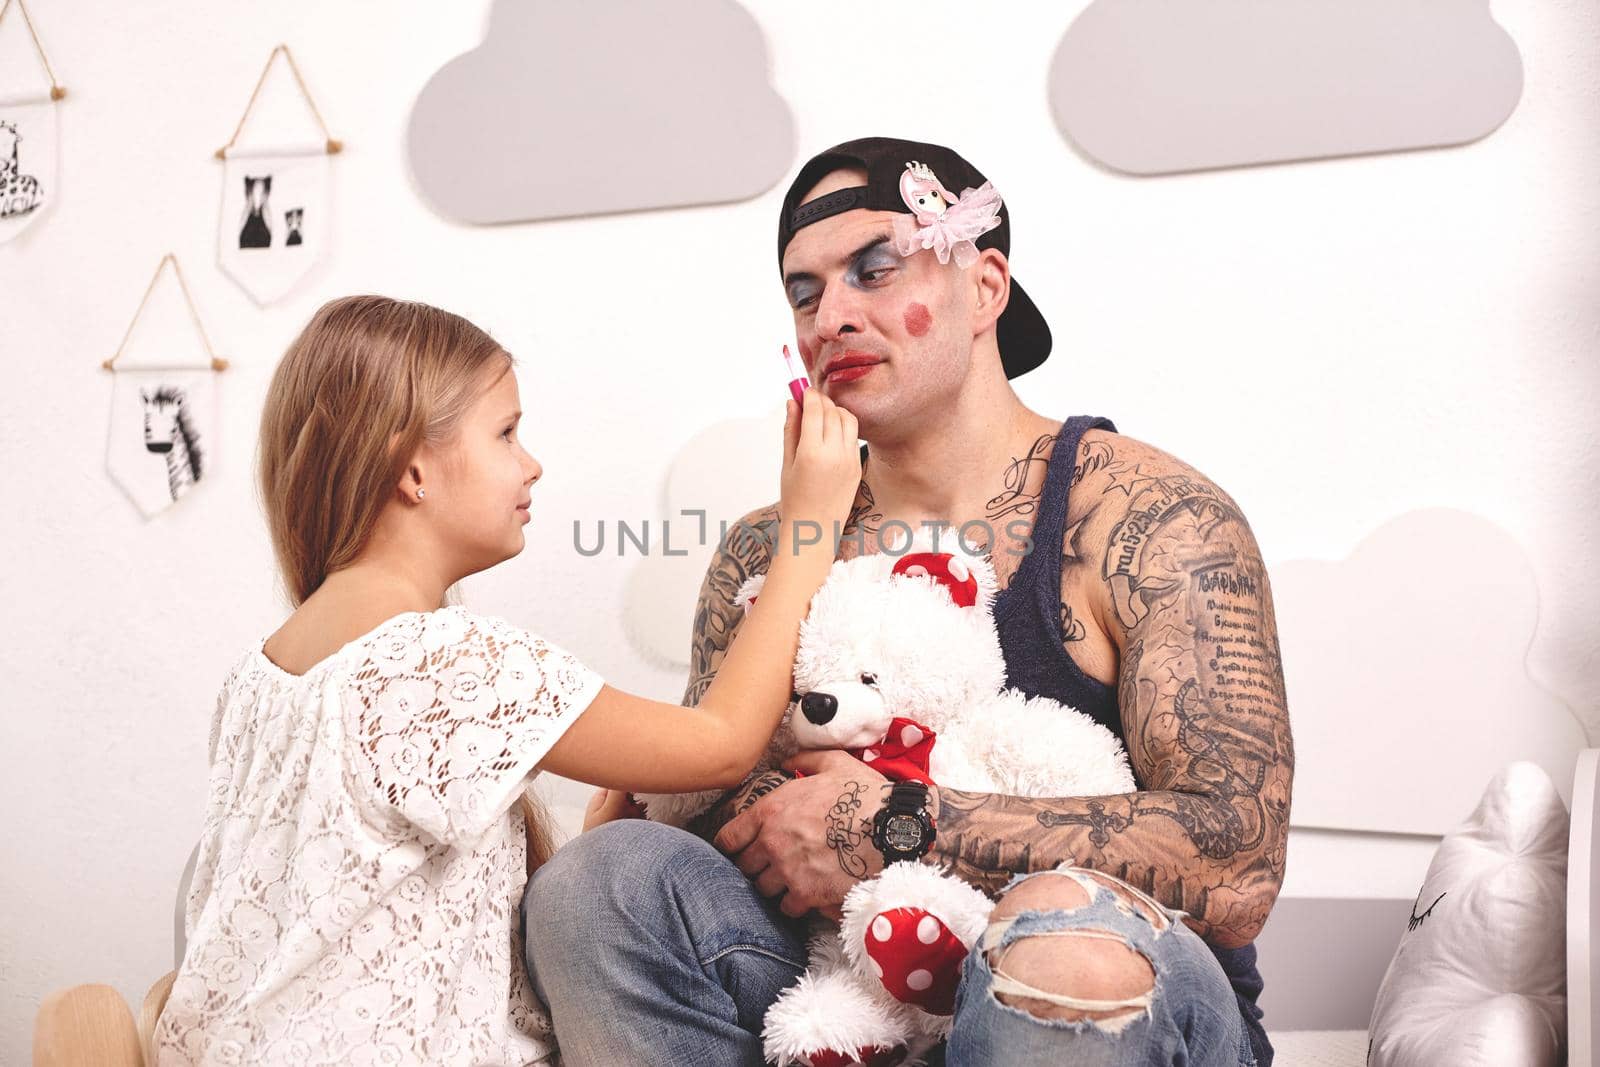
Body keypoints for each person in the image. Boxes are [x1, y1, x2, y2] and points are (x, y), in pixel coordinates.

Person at [525, 138, 1294, 1066]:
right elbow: (703, 795)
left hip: (1111, 1011)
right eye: (804, 294)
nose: (830, 318)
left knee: (1060, 936)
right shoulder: (769, 549)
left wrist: (890, 823)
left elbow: (1239, 861)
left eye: (874, 270)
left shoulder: (1148, 517)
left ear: (985, 286)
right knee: (602, 880)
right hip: (844, 1001)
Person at [152, 295, 862, 1065]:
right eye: (505, 433)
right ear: (412, 467)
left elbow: (364, 906)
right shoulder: (449, 659)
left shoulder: (261, 674)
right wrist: (810, 523)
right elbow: (720, 744)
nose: (532, 463)